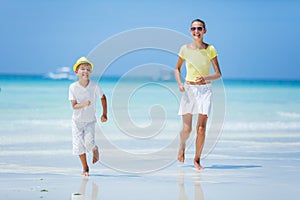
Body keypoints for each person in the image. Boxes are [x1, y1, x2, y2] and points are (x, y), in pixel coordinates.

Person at [174, 19, 222, 170]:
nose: (196, 31)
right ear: (190, 31)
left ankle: (197, 160)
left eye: (199, 28)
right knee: (187, 129)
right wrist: (181, 84)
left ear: (204, 31)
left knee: (201, 128)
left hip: (205, 90)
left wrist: (205, 78)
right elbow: (177, 69)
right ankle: (181, 147)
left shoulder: (210, 49)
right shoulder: (185, 49)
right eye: (193, 28)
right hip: (189, 89)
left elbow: (218, 74)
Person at [69, 56, 108, 176]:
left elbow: (103, 97)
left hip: (90, 121)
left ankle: (95, 149)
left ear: (90, 72)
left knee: (89, 144)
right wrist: (84, 104)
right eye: (82, 69)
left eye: (88, 69)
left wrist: (104, 114)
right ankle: (85, 168)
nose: (85, 71)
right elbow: (74, 106)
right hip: (77, 122)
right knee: (78, 147)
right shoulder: (73, 87)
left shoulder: (94, 86)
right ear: (77, 72)